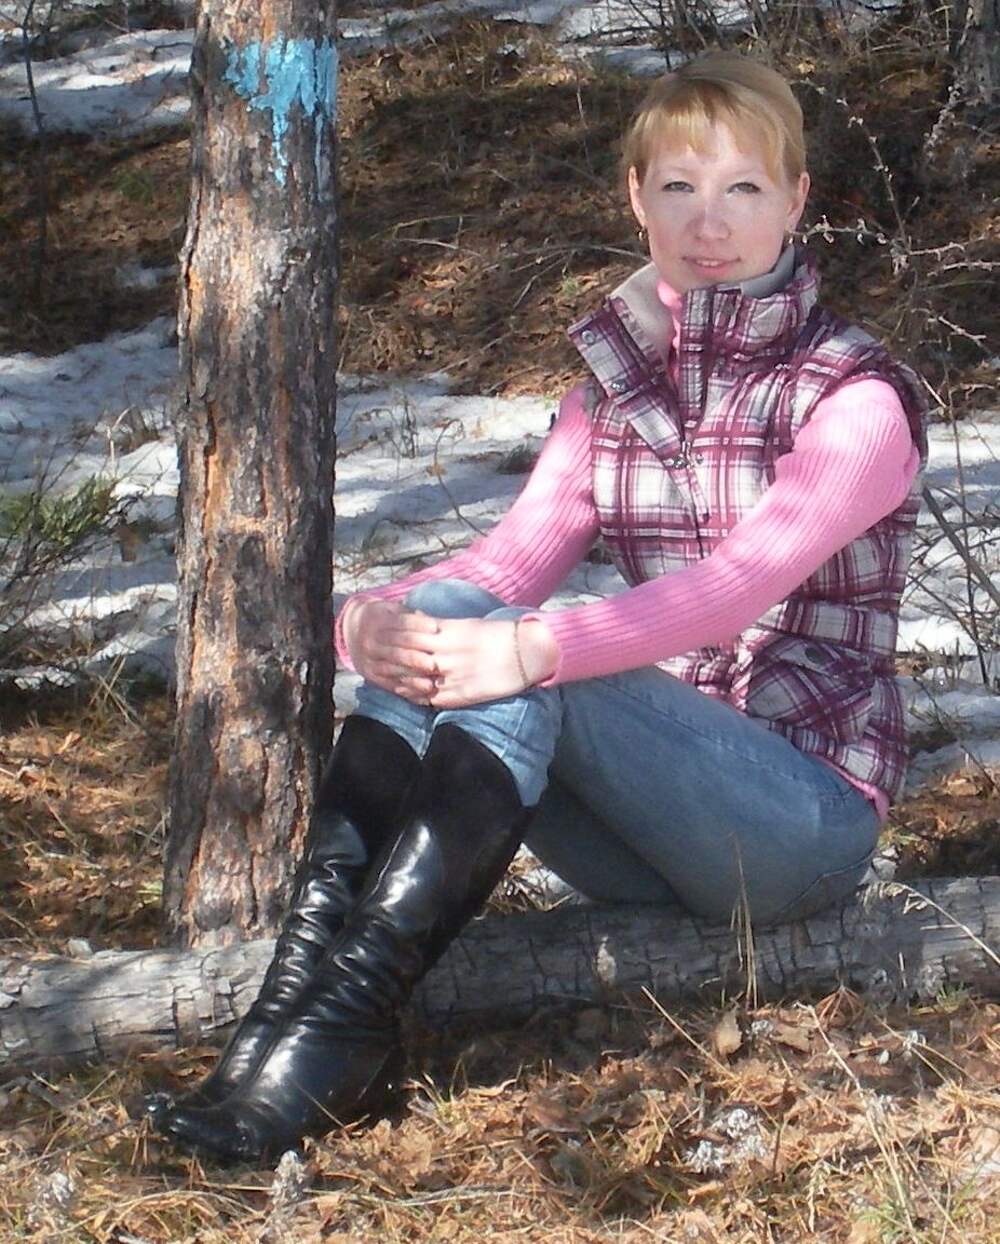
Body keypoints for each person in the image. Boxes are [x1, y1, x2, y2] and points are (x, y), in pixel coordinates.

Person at [146, 50, 926, 1164]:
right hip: (649, 838)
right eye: (678, 186)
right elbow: (506, 562)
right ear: (636, 196)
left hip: (800, 829)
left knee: (526, 652)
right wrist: (364, 623)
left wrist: (535, 648)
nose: (708, 222)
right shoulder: (610, 396)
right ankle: (300, 1020)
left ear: (796, 200)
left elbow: (734, 591)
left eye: (744, 188)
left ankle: (330, 1035)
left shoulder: (854, 398)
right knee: (457, 610)